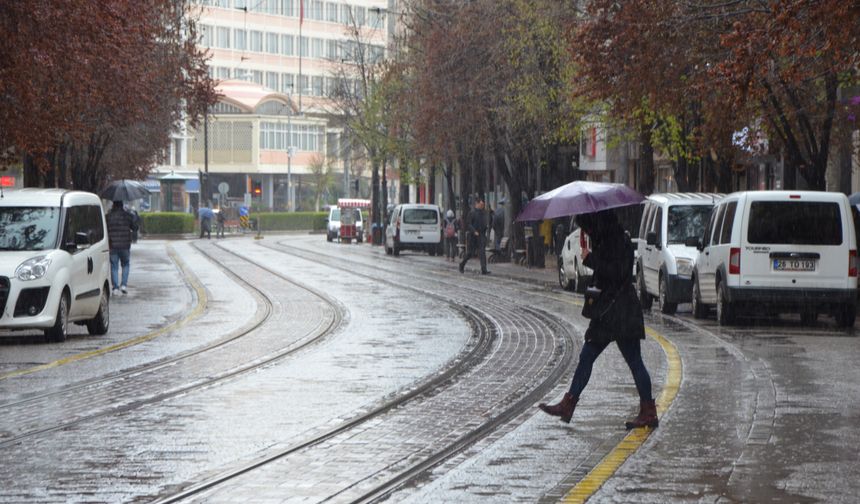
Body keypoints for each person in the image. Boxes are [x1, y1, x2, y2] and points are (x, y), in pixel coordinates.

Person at [538, 209, 658, 430]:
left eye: (587, 228)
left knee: (633, 361)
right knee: (588, 356)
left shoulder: (615, 240)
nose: (586, 232)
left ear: (597, 224)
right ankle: (569, 403)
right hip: (612, 311)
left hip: (618, 310)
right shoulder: (608, 238)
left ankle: (648, 411)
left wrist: (590, 259)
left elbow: (618, 272)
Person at [106, 200, 138, 295]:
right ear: (122, 205)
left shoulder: (108, 216)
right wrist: (134, 218)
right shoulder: (127, 216)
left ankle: (115, 288)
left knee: (114, 266)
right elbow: (135, 228)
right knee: (125, 264)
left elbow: (105, 229)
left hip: (113, 245)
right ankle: (123, 285)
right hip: (125, 246)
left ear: (113, 205)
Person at [459, 195, 490, 275]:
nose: (482, 206)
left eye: (483, 205)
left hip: (481, 235)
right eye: (481, 204)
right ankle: (462, 265)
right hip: (473, 236)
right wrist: (474, 231)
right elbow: (468, 224)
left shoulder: (483, 213)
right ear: (477, 204)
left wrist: (486, 228)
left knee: (482, 252)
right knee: (470, 253)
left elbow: (485, 223)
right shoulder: (472, 213)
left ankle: (484, 269)